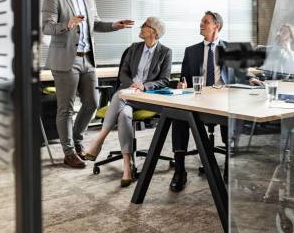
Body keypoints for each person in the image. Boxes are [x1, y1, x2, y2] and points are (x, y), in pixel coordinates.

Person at [42, 0, 134, 168]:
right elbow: (47, 28)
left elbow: (95, 24)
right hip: (66, 60)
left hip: (88, 59)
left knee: (93, 102)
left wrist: (114, 25)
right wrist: (68, 23)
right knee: (65, 109)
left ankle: (76, 141)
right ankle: (69, 152)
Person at [83, 17, 171, 187]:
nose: (141, 27)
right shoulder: (134, 48)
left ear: (153, 31)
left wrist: (144, 86)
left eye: (145, 25)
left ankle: (98, 140)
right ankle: (127, 166)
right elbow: (122, 73)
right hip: (128, 93)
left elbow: (165, 80)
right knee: (124, 114)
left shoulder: (165, 52)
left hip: (147, 97)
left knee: (121, 95)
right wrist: (131, 84)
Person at [170, 11, 230, 192]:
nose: (201, 24)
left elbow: (240, 77)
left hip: (223, 99)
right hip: (198, 99)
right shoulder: (191, 51)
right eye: (201, 21)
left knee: (233, 113)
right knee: (178, 117)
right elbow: (184, 79)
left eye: (205, 22)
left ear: (216, 26)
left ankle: (231, 162)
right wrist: (182, 84)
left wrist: (250, 79)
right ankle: (180, 170)